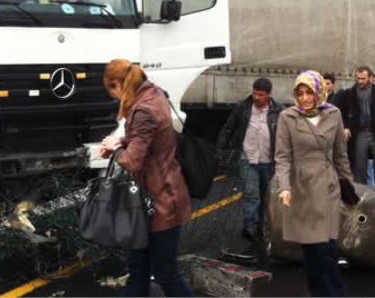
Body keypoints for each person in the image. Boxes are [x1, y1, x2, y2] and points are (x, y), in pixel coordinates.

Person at [98, 59, 193, 297]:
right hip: (152, 200)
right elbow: (150, 140)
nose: (115, 97)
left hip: (161, 203)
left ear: (118, 84)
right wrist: (122, 141)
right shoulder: (154, 94)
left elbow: (132, 161)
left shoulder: (143, 110)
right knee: (139, 268)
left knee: (164, 273)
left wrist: (116, 148)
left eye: (112, 91)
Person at [275, 71, 357, 297]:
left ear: (320, 91)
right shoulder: (287, 117)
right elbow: (282, 156)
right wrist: (284, 187)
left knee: (326, 250)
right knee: (312, 252)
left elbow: (341, 155)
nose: (304, 98)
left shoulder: (334, 113)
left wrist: (348, 186)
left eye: (309, 92)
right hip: (301, 190)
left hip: (328, 187)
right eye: (299, 93)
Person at [215, 78, 284, 246]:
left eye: (260, 94)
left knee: (265, 196)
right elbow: (228, 128)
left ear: (268, 95)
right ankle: (250, 228)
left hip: (268, 161)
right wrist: (218, 149)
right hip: (247, 158)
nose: (256, 97)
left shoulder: (279, 111)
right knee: (252, 194)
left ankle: (261, 226)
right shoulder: (243, 107)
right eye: (254, 93)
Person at [335, 65, 375, 189]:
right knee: (359, 167)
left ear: (370, 77)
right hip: (359, 133)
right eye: (358, 78)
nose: (360, 81)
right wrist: (345, 126)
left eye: (363, 79)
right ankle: (361, 192)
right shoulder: (350, 93)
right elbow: (339, 111)